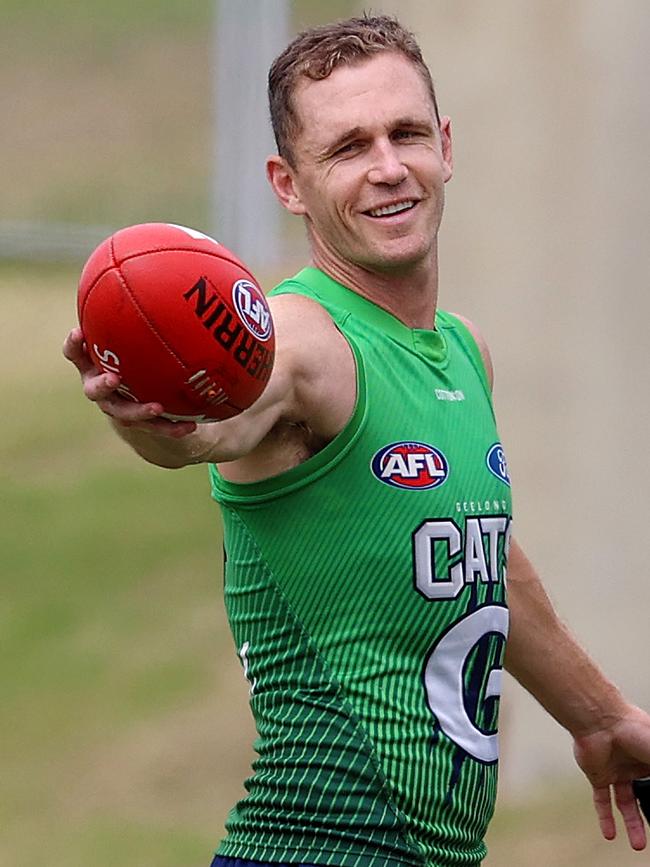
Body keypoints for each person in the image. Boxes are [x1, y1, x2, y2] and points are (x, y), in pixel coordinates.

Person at [63, 14, 650, 867]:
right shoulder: (302, 343)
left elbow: (477, 557)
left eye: (406, 133)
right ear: (288, 183)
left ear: (445, 146)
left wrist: (599, 717)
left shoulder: (462, 349)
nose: (387, 168)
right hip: (312, 848)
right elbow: (214, 425)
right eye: (346, 149)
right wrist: (156, 422)